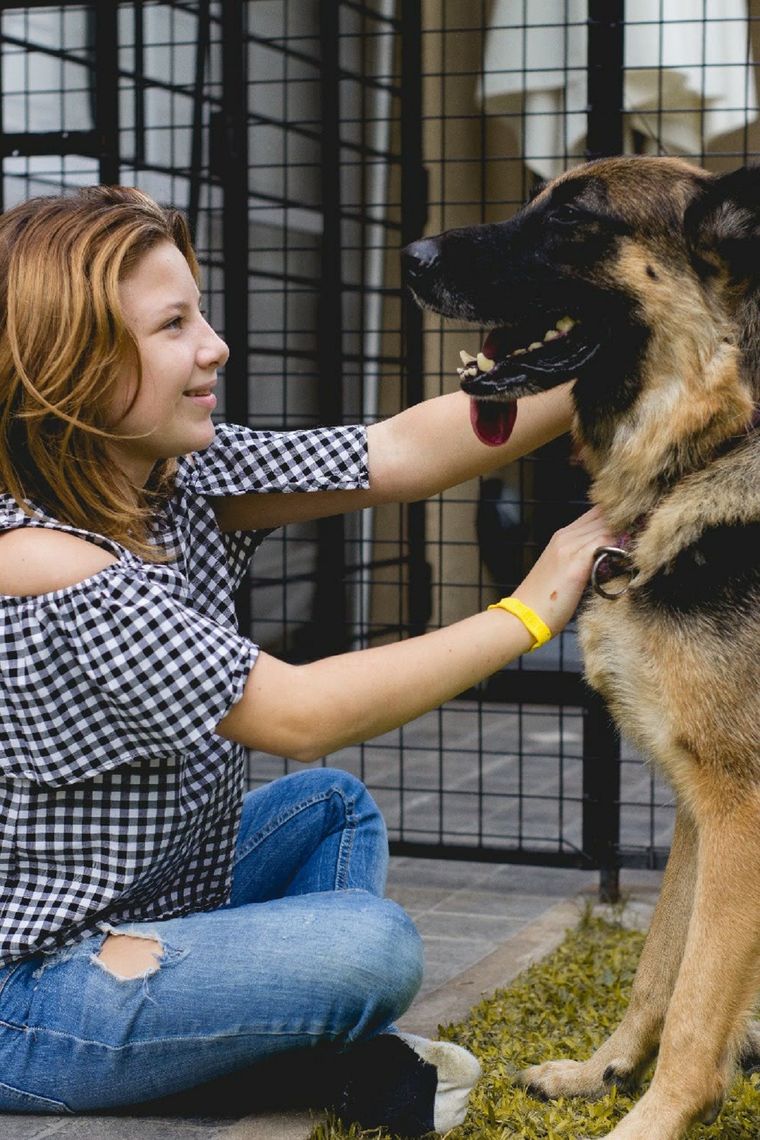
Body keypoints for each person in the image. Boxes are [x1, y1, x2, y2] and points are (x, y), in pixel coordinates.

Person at [0, 186, 613, 1136]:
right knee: (369, 949)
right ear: (68, 368)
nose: (215, 346)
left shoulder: (170, 475)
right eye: (174, 325)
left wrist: (621, 355)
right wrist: (529, 612)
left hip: (157, 902)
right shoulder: (45, 566)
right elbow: (300, 713)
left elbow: (403, 450)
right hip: (34, 998)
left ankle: (267, 1044)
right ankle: (273, 1056)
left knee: (327, 808)